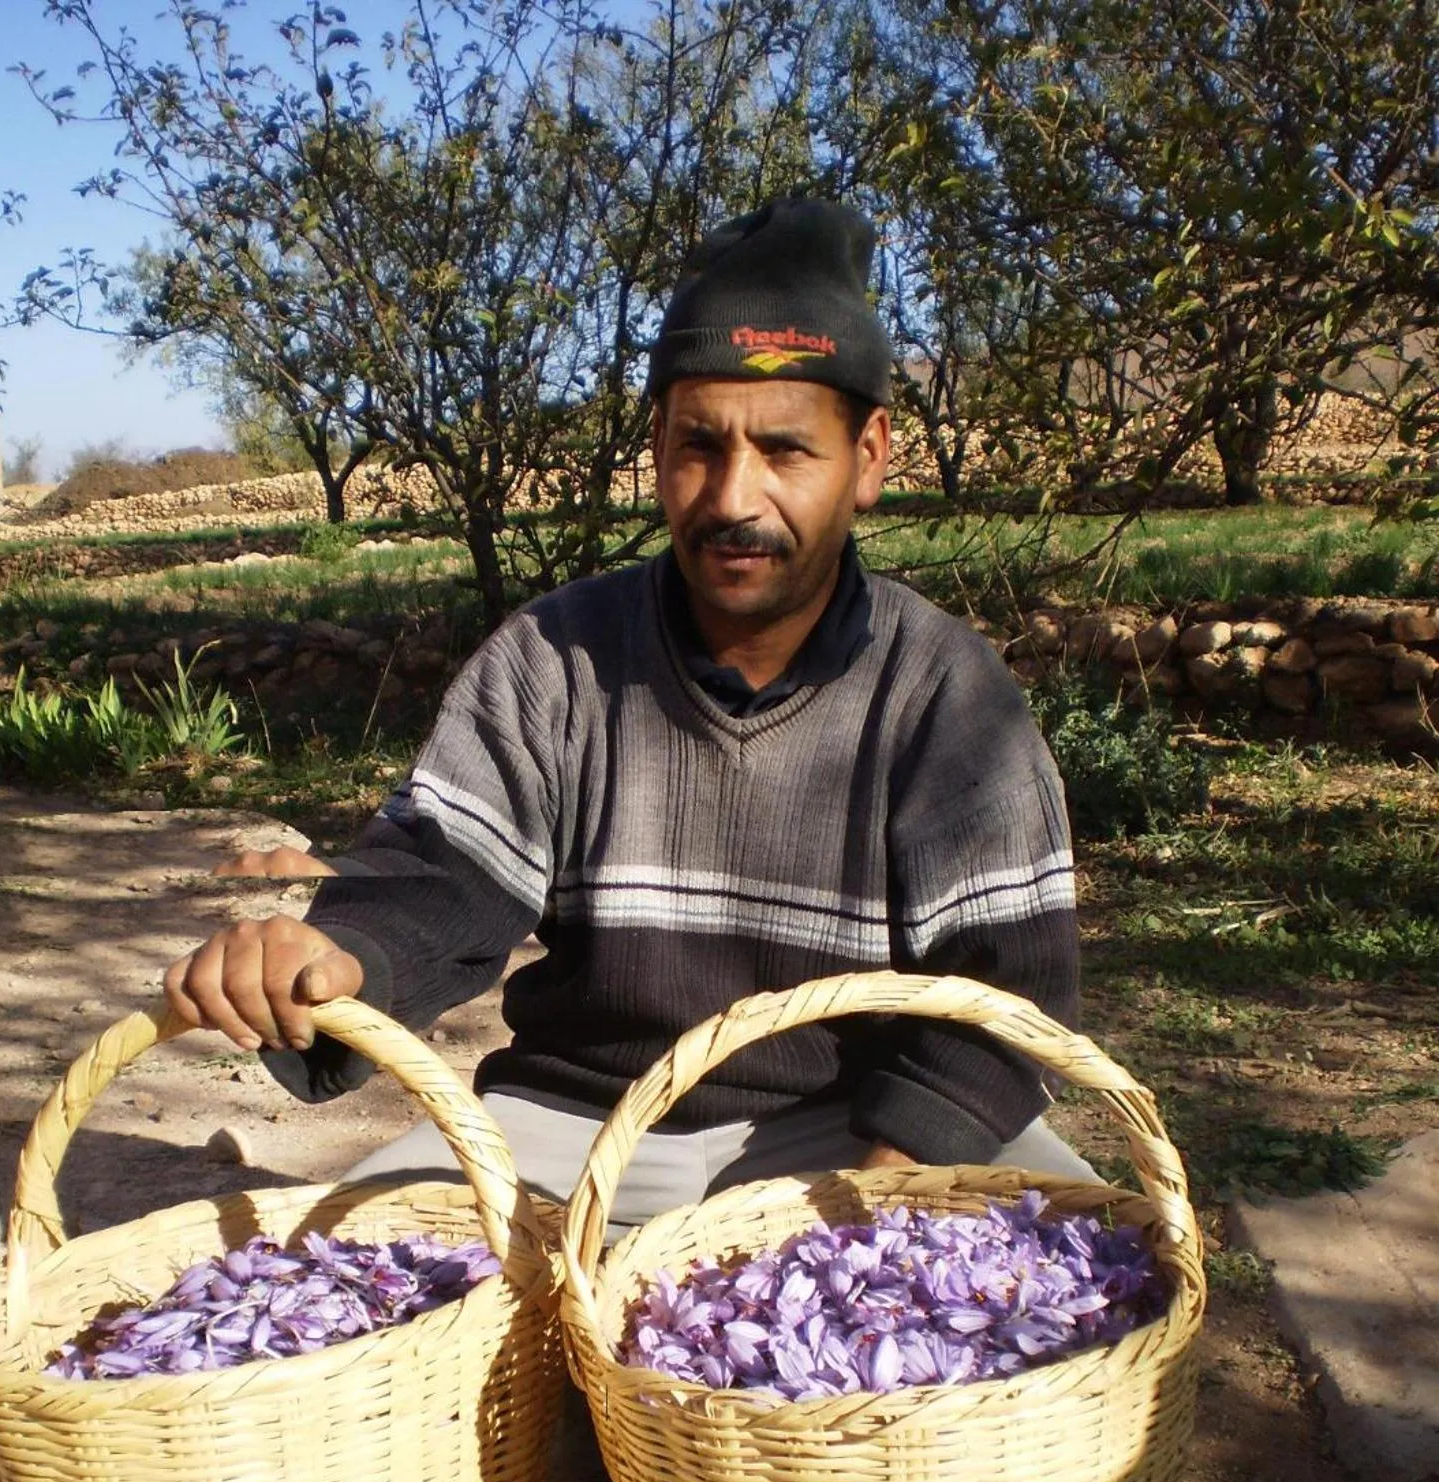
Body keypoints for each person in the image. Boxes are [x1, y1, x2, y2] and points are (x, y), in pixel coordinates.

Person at [165, 196, 1093, 1228]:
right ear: (657, 443)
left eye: (786, 451)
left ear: (868, 456)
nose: (735, 498)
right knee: (349, 1271)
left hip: (847, 1123)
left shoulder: (944, 692)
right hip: (576, 1123)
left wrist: (864, 1214)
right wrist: (333, 960)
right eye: (700, 444)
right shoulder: (555, 659)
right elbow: (444, 874)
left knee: (1060, 1268)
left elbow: (1010, 993)